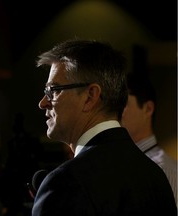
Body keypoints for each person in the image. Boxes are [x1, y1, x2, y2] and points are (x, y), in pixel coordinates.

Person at [32, 38, 177, 215]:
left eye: (53, 90)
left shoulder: (66, 182)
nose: (43, 102)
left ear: (90, 96)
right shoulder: (155, 176)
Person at [121, 72, 177, 205]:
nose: (115, 112)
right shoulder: (115, 164)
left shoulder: (165, 172)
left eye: (123, 103)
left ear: (148, 108)